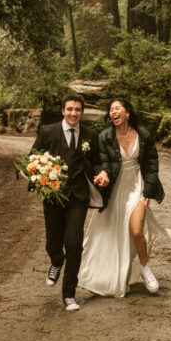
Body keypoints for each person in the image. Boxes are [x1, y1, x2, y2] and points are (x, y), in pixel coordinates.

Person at [78, 97, 168, 298]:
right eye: (110, 110)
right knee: (111, 234)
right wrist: (103, 175)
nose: (113, 112)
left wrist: (148, 192)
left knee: (136, 230)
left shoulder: (143, 135)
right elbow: (102, 162)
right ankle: (109, 274)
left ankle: (145, 269)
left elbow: (151, 164)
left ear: (127, 112)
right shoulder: (105, 137)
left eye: (117, 108)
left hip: (137, 186)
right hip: (115, 189)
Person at [30, 93, 108, 311]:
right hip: (53, 196)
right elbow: (33, 157)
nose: (74, 113)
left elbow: (96, 162)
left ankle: (69, 294)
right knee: (53, 243)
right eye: (70, 109)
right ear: (63, 111)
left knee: (73, 243)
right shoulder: (47, 131)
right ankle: (56, 261)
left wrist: (102, 173)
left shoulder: (90, 135)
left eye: (78, 110)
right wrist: (41, 174)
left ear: (81, 112)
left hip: (78, 197)